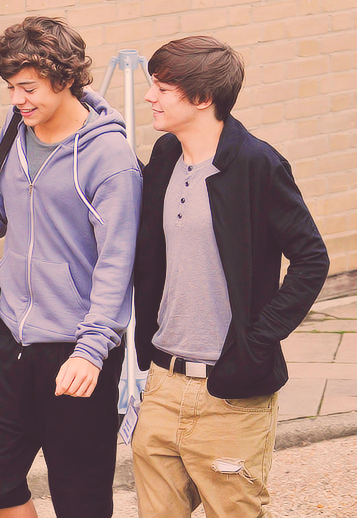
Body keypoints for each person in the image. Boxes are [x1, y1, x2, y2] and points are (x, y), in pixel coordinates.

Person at [0, 16, 142, 518]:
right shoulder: (17, 128)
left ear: (66, 78)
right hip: (9, 333)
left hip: (75, 343)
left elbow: (116, 264)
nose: (17, 99)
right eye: (10, 87)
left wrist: (92, 350)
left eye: (28, 88)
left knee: (80, 496)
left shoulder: (110, 159)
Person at [132, 36, 329, 518]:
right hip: (162, 382)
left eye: (162, 88)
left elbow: (311, 259)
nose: (149, 97)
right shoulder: (165, 155)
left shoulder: (258, 164)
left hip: (231, 390)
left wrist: (256, 341)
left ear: (202, 98)